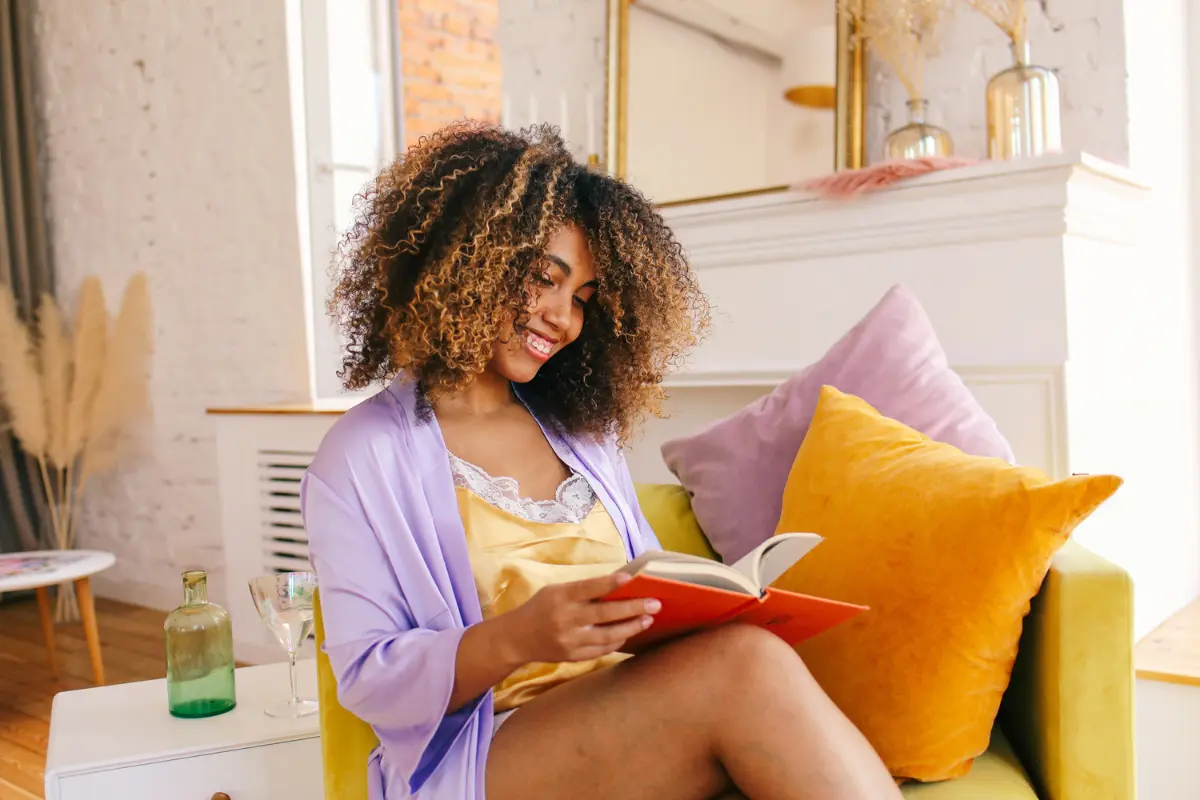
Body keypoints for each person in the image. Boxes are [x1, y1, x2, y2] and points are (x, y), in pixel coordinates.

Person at [301, 121, 901, 800]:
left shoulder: (583, 434)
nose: (563, 317)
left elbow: (643, 585)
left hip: (631, 719)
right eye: (543, 280)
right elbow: (369, 679)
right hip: (487, 750)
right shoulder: (360, 459)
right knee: (747, 667)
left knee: (752, 662)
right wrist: (518, 638)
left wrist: (694, 608)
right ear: (464, 262)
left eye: (583, 298)